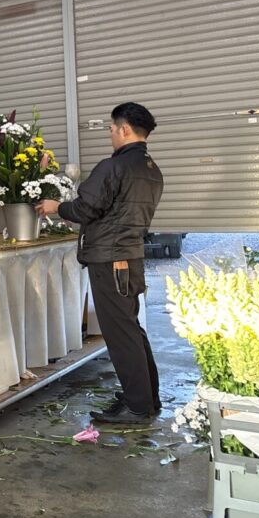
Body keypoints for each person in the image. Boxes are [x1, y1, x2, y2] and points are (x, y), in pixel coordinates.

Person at [36, 103, 164, 425]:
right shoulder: (151, 169)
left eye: (111, 128)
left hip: (109, 259)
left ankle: (138, 407)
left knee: (121, 334)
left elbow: (85, 208)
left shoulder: (114, 166)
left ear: (124, 129)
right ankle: (146, 399)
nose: (110, 134)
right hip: (129, 256)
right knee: (131, 329)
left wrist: (56, 207)